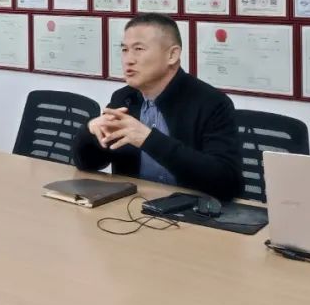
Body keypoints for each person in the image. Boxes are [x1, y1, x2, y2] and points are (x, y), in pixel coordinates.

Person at [71, 13, 241, 201]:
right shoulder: (124, 98)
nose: (128, 60)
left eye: (139, 49)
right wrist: (89, 132)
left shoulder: (212, 103)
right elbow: (90, 164)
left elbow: (227, 182)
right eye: (125, 50)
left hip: (192, 211)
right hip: (132, 206)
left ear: (172, 55)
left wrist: (148, 139)